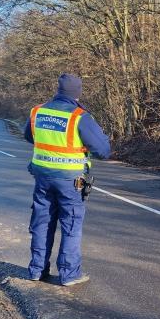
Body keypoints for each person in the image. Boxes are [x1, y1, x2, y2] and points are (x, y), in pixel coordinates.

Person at [24, 74, 111, 286]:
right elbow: (103, 150)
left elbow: (29, 136)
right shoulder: (80, 117)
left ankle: (37, 270)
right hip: (71, 181)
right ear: (77, 92)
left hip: (43, 177)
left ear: (58, 89)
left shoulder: (38, 111)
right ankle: (69, 274)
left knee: (41, 222)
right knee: (70, 225)